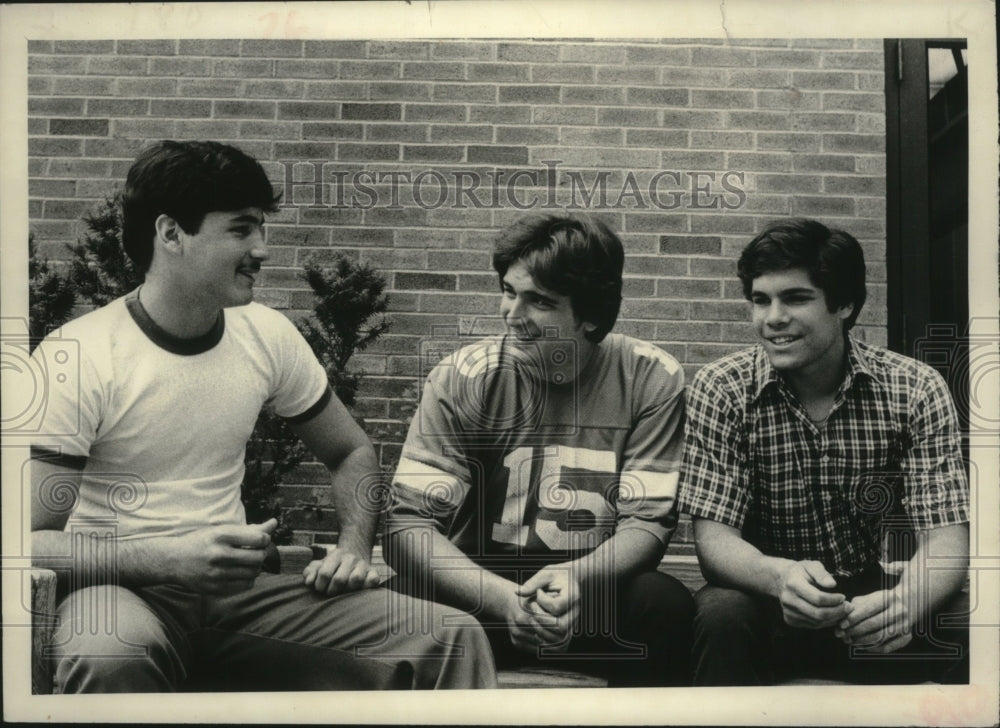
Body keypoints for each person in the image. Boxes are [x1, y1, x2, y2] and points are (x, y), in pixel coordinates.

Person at [30, 140, 496, 692]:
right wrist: (166, 559)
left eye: (261, 229)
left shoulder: (266, 334)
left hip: (237, 596)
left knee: (449, 636)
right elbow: (29, 541)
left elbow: (350, 452)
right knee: (110, 656)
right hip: (116, 590)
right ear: (171, 234)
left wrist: (351, 550)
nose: (263, 249)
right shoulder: (79, 355)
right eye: (241, 229)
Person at [383, 214, 694, 687]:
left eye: (539, 302)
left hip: (587, 590)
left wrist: (579, 577)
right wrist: (503, 599)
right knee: (394, 606)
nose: (512, 314)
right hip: (479, 584)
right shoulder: (465, 376)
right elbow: (407, 525)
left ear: (591, 314)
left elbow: (647, 523)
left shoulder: (650, 377)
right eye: (509, 291)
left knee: (663, 605)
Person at [679, 218, 970, 686]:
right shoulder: (723, 388)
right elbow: (714, 543)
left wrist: (907, 604)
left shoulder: (914, 387)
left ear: (846, 305)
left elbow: (947, 538)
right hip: (776, 596)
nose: (772, 318)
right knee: (720, 613)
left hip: (883, 594)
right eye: (760, 300)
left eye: (795, 298)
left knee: (972, 619)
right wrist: (778, 578)